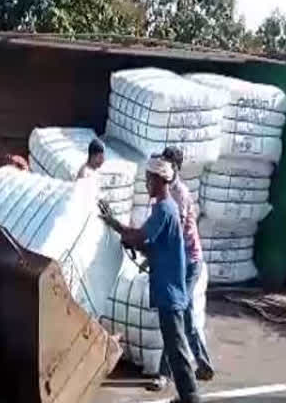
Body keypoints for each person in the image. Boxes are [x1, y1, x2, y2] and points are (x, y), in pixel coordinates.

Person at [100, 157, 200, 403]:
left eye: (149, 179)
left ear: (158, 180)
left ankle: (192, 397)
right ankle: (186, 395)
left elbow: (139, 236)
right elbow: (151, 245)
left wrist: (114, 223)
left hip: (170, 291)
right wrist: (135, 243)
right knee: (174, 346)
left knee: (176, 349)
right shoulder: (165, 208)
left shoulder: (165, 208)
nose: (146, 184)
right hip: (168, 288)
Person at [161, 146, 215, 382]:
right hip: (177, 260)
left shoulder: (180, 194)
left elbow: (178, 232)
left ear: (176, 167)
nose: (164, 167)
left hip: (190, 261)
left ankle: (165, 372)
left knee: (176, 310)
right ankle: (202, 364)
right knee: (182, 313)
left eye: (168, 163)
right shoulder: (161, 191)